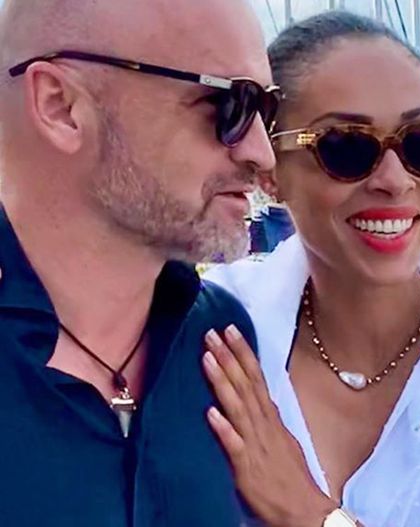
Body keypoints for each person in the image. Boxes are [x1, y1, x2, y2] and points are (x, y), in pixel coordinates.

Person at [0, 0, 286, 525]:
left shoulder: (221, 342)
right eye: (228, 105)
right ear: (61, 106)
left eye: (266, 110)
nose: (261, 154)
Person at [203, 11, 420, 527]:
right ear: (270, 171)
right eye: (346, 146)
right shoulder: (219, 334)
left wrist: (312, 514)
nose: (395, 180)